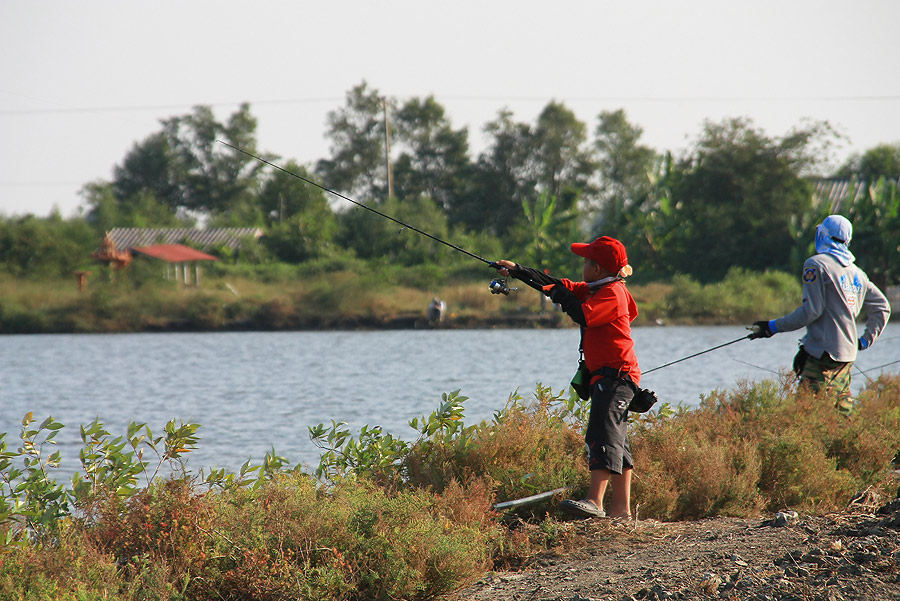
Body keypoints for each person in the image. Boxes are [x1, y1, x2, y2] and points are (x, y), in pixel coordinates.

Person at [493, 236, 641, 519]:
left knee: (602, 435)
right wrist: (517, 270)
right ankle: (621, 511)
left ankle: (595, 502)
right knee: (618, 442)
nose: (582, 267)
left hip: (615, 377)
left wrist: (563, 297)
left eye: (586, 262)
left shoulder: (612, 293)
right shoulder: (597, 288)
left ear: (597, 269)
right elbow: (556, 286)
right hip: (613, 377)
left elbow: (583, 315)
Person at [749, 214, 891, 415]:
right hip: (847, 356)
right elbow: (883, 308)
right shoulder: (857, 273)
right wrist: (864, 341)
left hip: (824, 356)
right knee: (841, 415)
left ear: (823, 235)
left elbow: (811, 311)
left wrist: (771, 327)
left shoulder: (816, 265)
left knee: (805, 416)